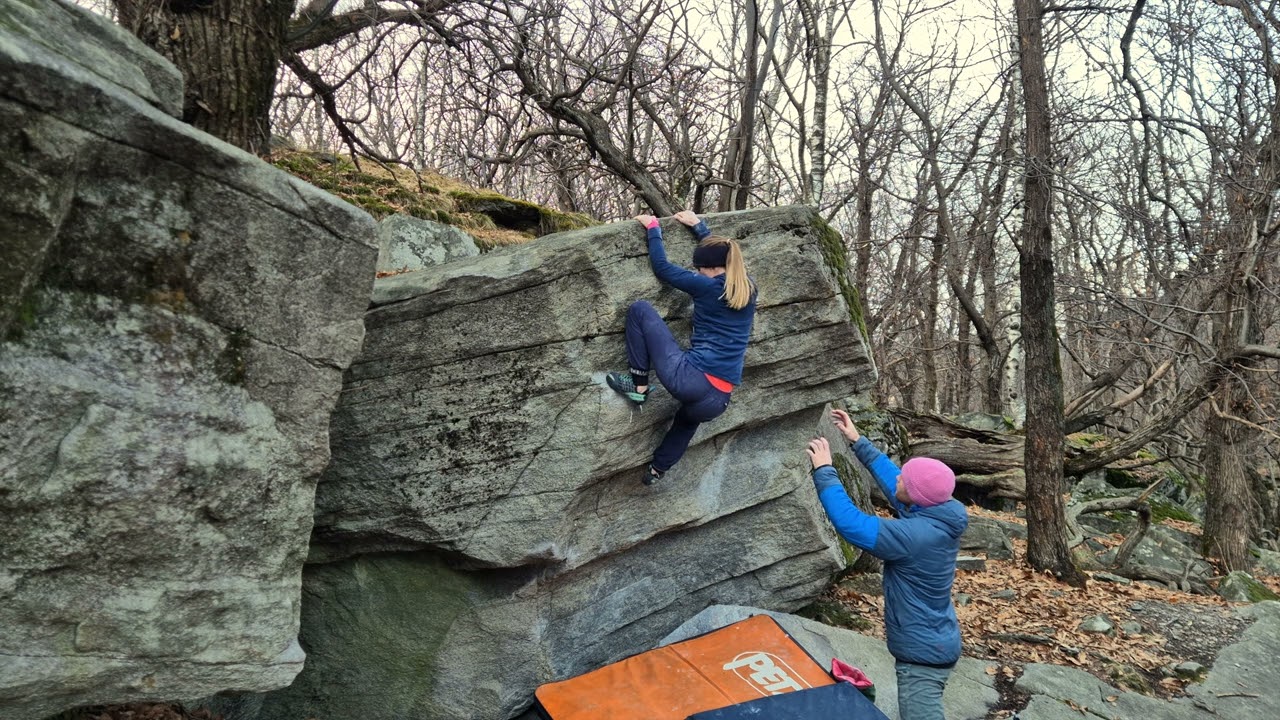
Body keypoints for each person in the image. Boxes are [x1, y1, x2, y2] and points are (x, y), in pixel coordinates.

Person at [804, 408, 968, 720]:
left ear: (917, 496)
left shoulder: (915, 536)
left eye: (905, 479)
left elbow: (852, 524)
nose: (899, 479)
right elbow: (899, 484)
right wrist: (856, 440)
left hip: (922, 659)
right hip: (934, 642)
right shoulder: (940, 512)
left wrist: (825, 470)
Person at [606, 210, 756, 484]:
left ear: (710, 269)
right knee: (686, 423)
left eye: (700, 269)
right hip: (718, 399)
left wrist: (653, 228)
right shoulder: (747, 288)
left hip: (691, 379)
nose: (697, 272)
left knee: (640, 310)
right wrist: (700, 228)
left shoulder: (707, 287)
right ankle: (657, 470)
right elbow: (724, 256)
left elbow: (662, 268)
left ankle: (638, 387)